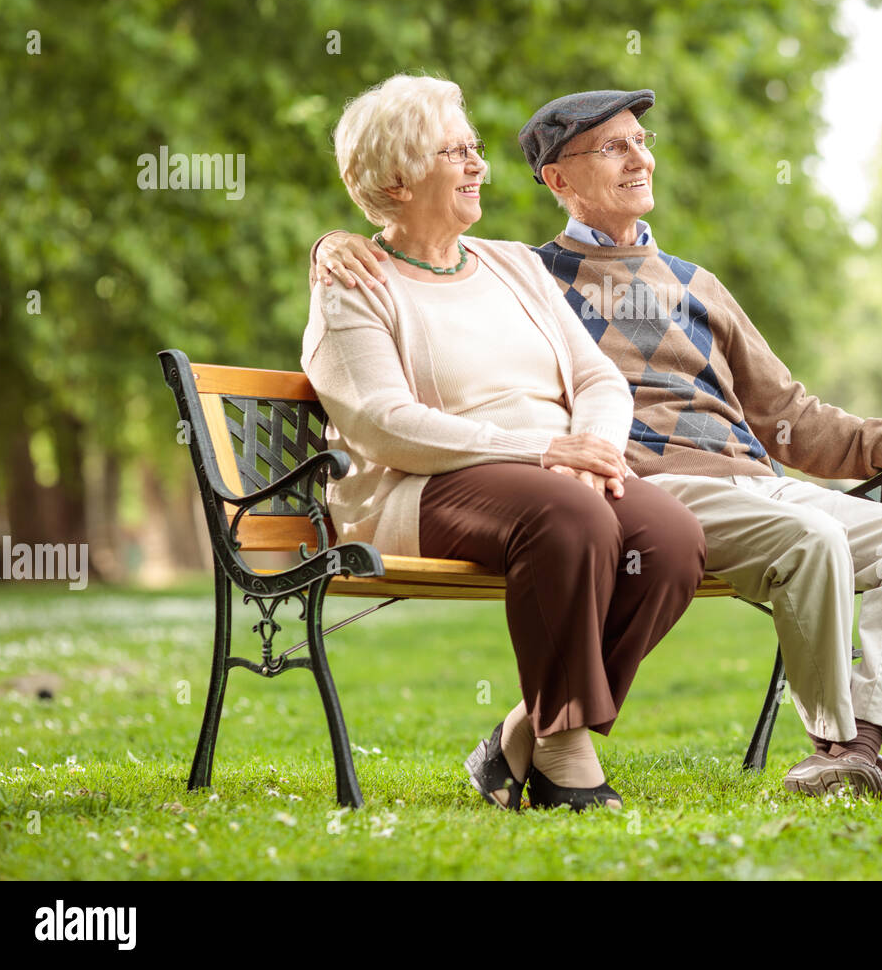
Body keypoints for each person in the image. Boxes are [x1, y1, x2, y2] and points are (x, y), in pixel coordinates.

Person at [311, 88, 882, 801]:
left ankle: (863, 749)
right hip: (630, 481)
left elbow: (788, 412)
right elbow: (403, 318)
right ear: (558, 181)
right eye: (612, 146)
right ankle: (831, 748)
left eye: (642, 139)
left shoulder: (685, 285)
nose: (640, 156)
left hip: (737, 481)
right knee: (796, 537)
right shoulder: (541, 273)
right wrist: (333, 240)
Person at [302, 76, 706, 813]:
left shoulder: (512, 264)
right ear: (395, 179)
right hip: (417, 485)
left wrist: (594, 447)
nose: (477, 164)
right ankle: (562, 757)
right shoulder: (353, 283)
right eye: (453, 151)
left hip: (552, 474)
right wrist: (543, 452)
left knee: (673, 537)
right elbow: (385, 423)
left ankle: (527, 725)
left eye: (473, 148)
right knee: (569, 517)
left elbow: (599, 378)